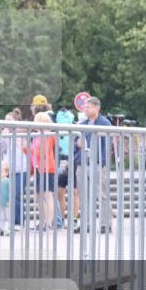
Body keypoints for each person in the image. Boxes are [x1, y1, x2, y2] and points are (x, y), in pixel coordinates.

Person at [76, 97, 113, 233]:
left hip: (98, 163)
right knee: (83, 195)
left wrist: (103, 162)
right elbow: (77, 142)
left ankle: (105, 224)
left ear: (97, 108)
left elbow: (108, 145)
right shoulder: (82, 124)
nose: (85, 109)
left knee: (102, 194)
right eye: (85, 107)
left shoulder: (104, 123)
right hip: (82, 162)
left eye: (88, 107)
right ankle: (86, 224)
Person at [0, 111, 29, 226]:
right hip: (9, 169)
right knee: (11, 194)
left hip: (21, 169)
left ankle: (19, 220)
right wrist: (3, 137)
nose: (7, 123)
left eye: (9, 120)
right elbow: (1, 149)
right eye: (5, 120)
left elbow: (25, 146)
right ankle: (15, 219)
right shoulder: (4, 134)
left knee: (16, 194)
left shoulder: (21, 133)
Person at [29, 112, 58, 231]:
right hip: (38, 167)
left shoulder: (48, 135)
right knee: (39, 195)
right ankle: (44, 220)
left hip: (47, 168)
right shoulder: (37, 135)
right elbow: (32, 152)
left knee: (47, 194)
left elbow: (43, 152)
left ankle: (49, 222)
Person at [54, 106, 77, 228]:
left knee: (64, 192)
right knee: (70, 192)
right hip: (66, 159)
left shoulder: (74, 128)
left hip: (67, 159)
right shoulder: (74, 126)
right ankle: (68, 219)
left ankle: (66, 219)